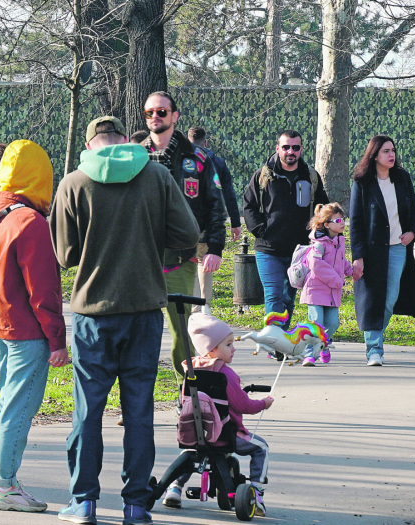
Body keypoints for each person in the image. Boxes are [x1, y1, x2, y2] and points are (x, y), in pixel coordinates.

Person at [50, 116, 200, 525]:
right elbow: (187, 234)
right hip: (144, 309)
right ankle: (135, 504)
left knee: (88, 412)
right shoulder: (157, 176)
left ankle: (84, 502)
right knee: (138, 411)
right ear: (123, 140)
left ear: (90, 144)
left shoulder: (73, 183)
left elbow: (65, 255)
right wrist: (151, 242)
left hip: (93, 313)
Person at [0, 139, 68, 513]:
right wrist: (57, 340)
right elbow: (44, 291)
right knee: (18, 409)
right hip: (25, 328)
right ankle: (5, 487)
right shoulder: (32, 223)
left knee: (4, 402)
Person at [139, 91, 226, 382]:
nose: (155, 117)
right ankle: (138, 397)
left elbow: (215, 204)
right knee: (139, 330)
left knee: (181, 328)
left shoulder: (197, 158)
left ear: (174, 116)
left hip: (179, 256)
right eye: (150, 112)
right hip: (140, 256)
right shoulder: (134, 155)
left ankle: (188, 393)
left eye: (161, 112)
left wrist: (215, 247)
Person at [161, 313, 274, 516]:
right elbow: (243, 405)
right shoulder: (226, 375)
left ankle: (174, 488)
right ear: (212, 349)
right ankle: (257, 490)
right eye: (228, 344)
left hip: (197, 433)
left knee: (190, 453)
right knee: (261, 448)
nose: (234, 349)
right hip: (225, 436)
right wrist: (263, 403)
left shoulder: (190, 372)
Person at [243, 130, 329, 330]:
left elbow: (322, 209)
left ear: (301, 149)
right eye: (286, 147)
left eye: (295, 147)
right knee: (273, 295)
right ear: (277, 149)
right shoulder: (263, 176)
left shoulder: (311, 177)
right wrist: (261, 230)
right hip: (268, 250)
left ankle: (280, 338)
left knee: (288, 298)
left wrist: (318, 234)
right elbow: (249, 206)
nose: (291, 151)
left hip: (300, 251)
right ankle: (274, 339)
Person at [349, 134, 415, 366]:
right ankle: (374, 350)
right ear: (374, 155)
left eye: (393, 150)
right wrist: (358, 256)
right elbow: (356, 222)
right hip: (372, 251)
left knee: (389, 299)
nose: (391, 155)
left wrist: (412, 232)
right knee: (373, 300)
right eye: (386, 151)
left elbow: (413, 210)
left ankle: (375, 340)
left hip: (398, 247)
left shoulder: (402, 178)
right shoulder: (362, 182)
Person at [188, 126, 242, 315]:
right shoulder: (218, 162)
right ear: (206, 142)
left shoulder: (181, 161)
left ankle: (194, 307)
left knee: (190, 260)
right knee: (204, 260)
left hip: (186, 220)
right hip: (209, 220)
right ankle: (206, 306)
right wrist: (235, 222)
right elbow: (228, 194)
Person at [298, 203, 353, 367]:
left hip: (332, 292)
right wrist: (337, 280)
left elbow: (341, 261)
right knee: (316, 323)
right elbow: (316, 264)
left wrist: (350, 270)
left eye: (343, 219)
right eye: (338, 220)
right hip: (315, 290)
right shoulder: (318, 244)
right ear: (327, 224)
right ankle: (310, 354)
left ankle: (324, 343)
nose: (342, 223)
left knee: (333, 323)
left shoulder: (339, 241)